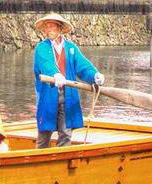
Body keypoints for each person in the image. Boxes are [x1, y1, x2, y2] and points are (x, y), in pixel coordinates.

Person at [32, 13, 101, 148]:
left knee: (66, 132)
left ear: (59, 28)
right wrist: (55, 75)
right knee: (44, 132)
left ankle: (62, 162)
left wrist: (94, 75)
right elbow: (46, 64)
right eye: (46, 27)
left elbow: (83, 66)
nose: (48, 30)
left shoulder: (71, 48)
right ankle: (38, 161)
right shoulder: (42, 48)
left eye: (51, 26)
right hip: (48, 95)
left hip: (68, 94)